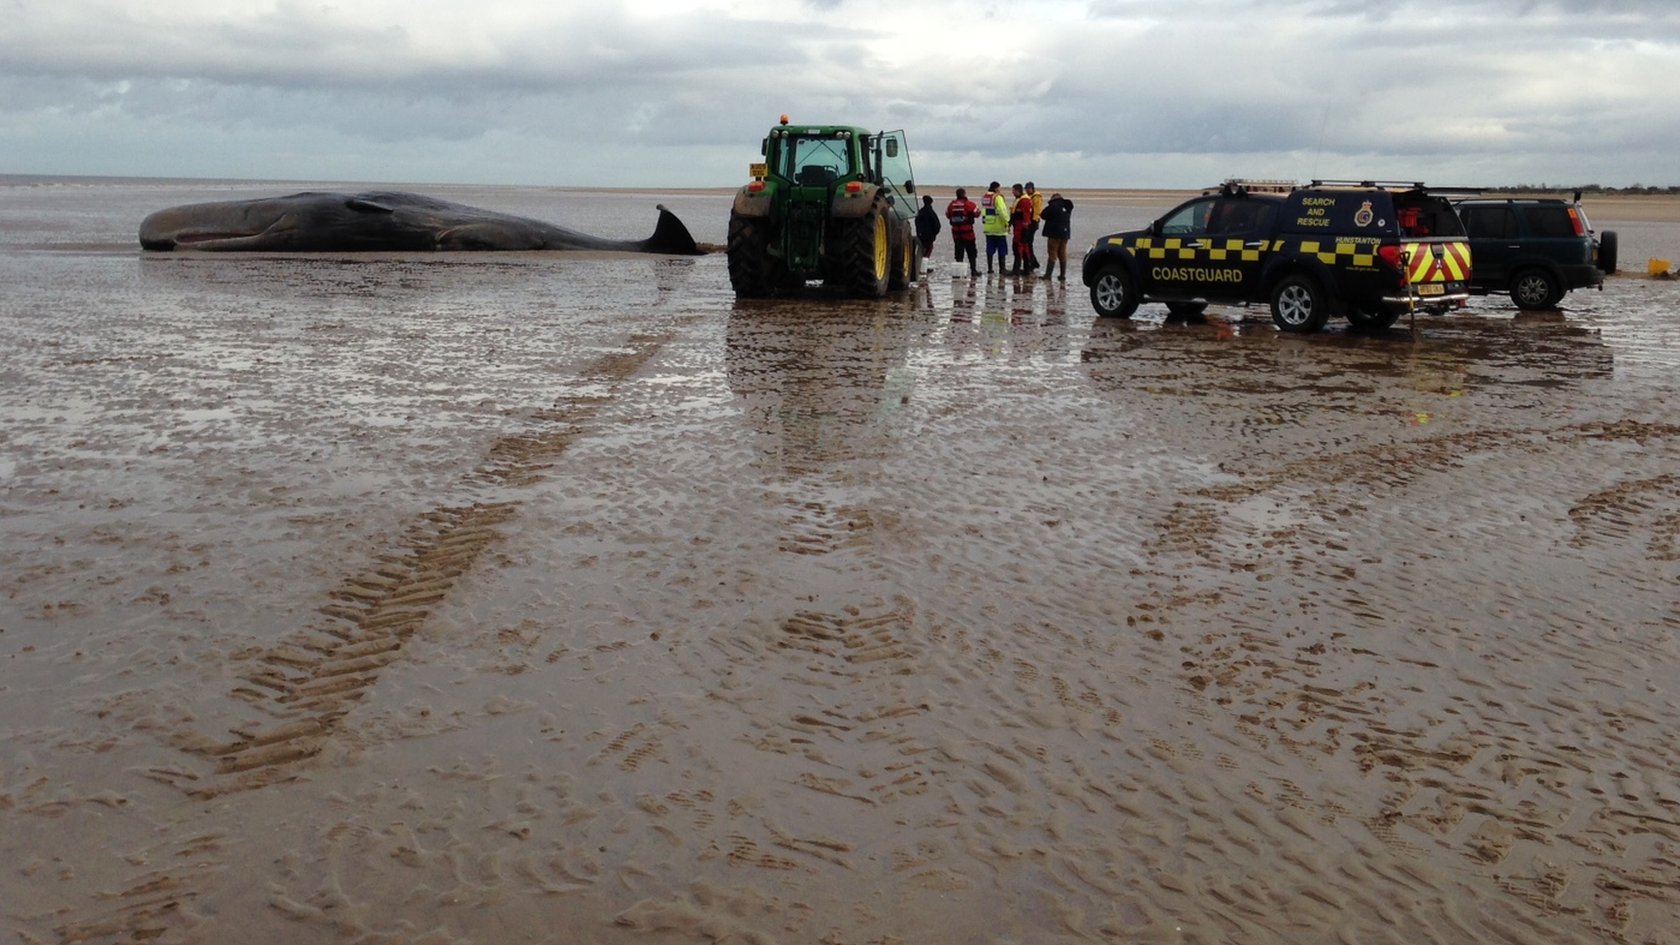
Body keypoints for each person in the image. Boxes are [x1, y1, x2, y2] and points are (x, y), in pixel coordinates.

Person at [1038, 192, 1074, 282]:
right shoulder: (1067, 207)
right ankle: (1062, 275)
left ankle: (1048, 275)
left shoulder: (1052, 206)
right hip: (1065, 233)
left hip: (1054, 234)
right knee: (1062, 253)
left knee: (1052, 253)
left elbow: (1043, 215)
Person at [945, 188, 980, 276]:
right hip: (968, 233)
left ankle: (959, 271)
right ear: (964, 194)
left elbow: (947, 215)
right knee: (971, 252)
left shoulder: (951, 205)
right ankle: (973, 270)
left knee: (959, 252)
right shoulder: (968, 204)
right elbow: (977, 213)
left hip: (956, 234)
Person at [981, 181, 1010, 274]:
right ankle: (1002, 269)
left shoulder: (984, 197)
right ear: (997, 188)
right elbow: (1002, 211)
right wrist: (1007, 222)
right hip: (998, 227)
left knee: (990, 248)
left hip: (988, 227)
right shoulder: (997, 197)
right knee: (1002, 248)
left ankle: (990, 268)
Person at [1010, 183, 1035, 275]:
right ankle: (1025, 269)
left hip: (1021, 228)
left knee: (1018, 247)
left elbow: (1026, 215)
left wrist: (1025, 228)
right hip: (1018, 227)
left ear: (1018, 191)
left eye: (1013, 191)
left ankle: (1018, 269)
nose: (1012, 193)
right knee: (1023, 248)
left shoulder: (1024, 201)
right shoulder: (1019, 199)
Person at [915, 195, 942, 269]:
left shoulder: (920, 212)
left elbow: (917, 223)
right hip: (929, 236)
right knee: (927, 252)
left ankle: (921, 266)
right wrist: (933, 234)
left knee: (921, 251)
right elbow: (937, 225)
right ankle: (923, 267)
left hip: (921, 235)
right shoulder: (931, 213)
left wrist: (919, 232)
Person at [1025, 182, 1045, 273]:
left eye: (1029, 189)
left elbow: (1037, 210)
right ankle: (1033, 262)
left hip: (1033, 222)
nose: (1027, 190)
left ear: (1032, 188)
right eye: (1026, 188)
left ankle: (1032, 262)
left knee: (1029, 243)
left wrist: (1033, 221)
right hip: (1030, 222)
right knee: (1028, 243)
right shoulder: (1029, 197)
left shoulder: (1036, 197)